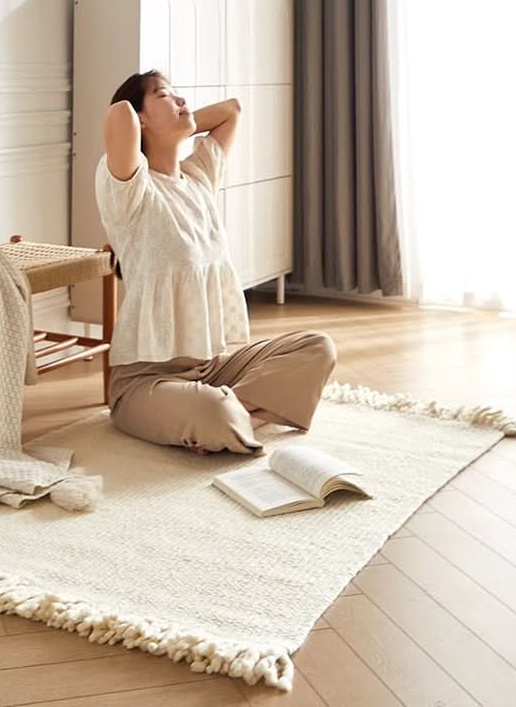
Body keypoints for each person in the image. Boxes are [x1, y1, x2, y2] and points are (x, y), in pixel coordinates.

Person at [95, 69, 336, 455]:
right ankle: (231, 414)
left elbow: (231, 110)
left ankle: (229, 416)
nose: (182, 101)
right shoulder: (131, 189)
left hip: (215, 368)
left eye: (179, 94)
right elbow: (119, 113)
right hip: (146, 381)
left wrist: (176, 122)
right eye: (164, 95)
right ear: (141, 119)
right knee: (214, 409)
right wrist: (159, 121)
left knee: (318, 347)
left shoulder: (198, 177)